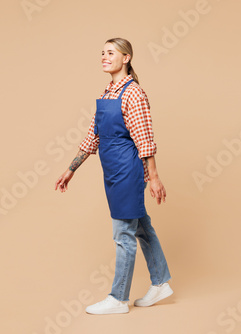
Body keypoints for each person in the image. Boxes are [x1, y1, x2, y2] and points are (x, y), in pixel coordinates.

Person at [54, 37, 173, 315]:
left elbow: (144, 140)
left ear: (126, 57)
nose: (104, 57)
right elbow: (93, 135)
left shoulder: (134, 94)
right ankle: (161, 282)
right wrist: (71, 169)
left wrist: (153, 177)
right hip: (112, 171)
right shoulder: (108, 92)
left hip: (127, 172)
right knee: (141, 226)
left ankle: (118, 298)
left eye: (110, 53)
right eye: (102, 53)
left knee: (123, 235)